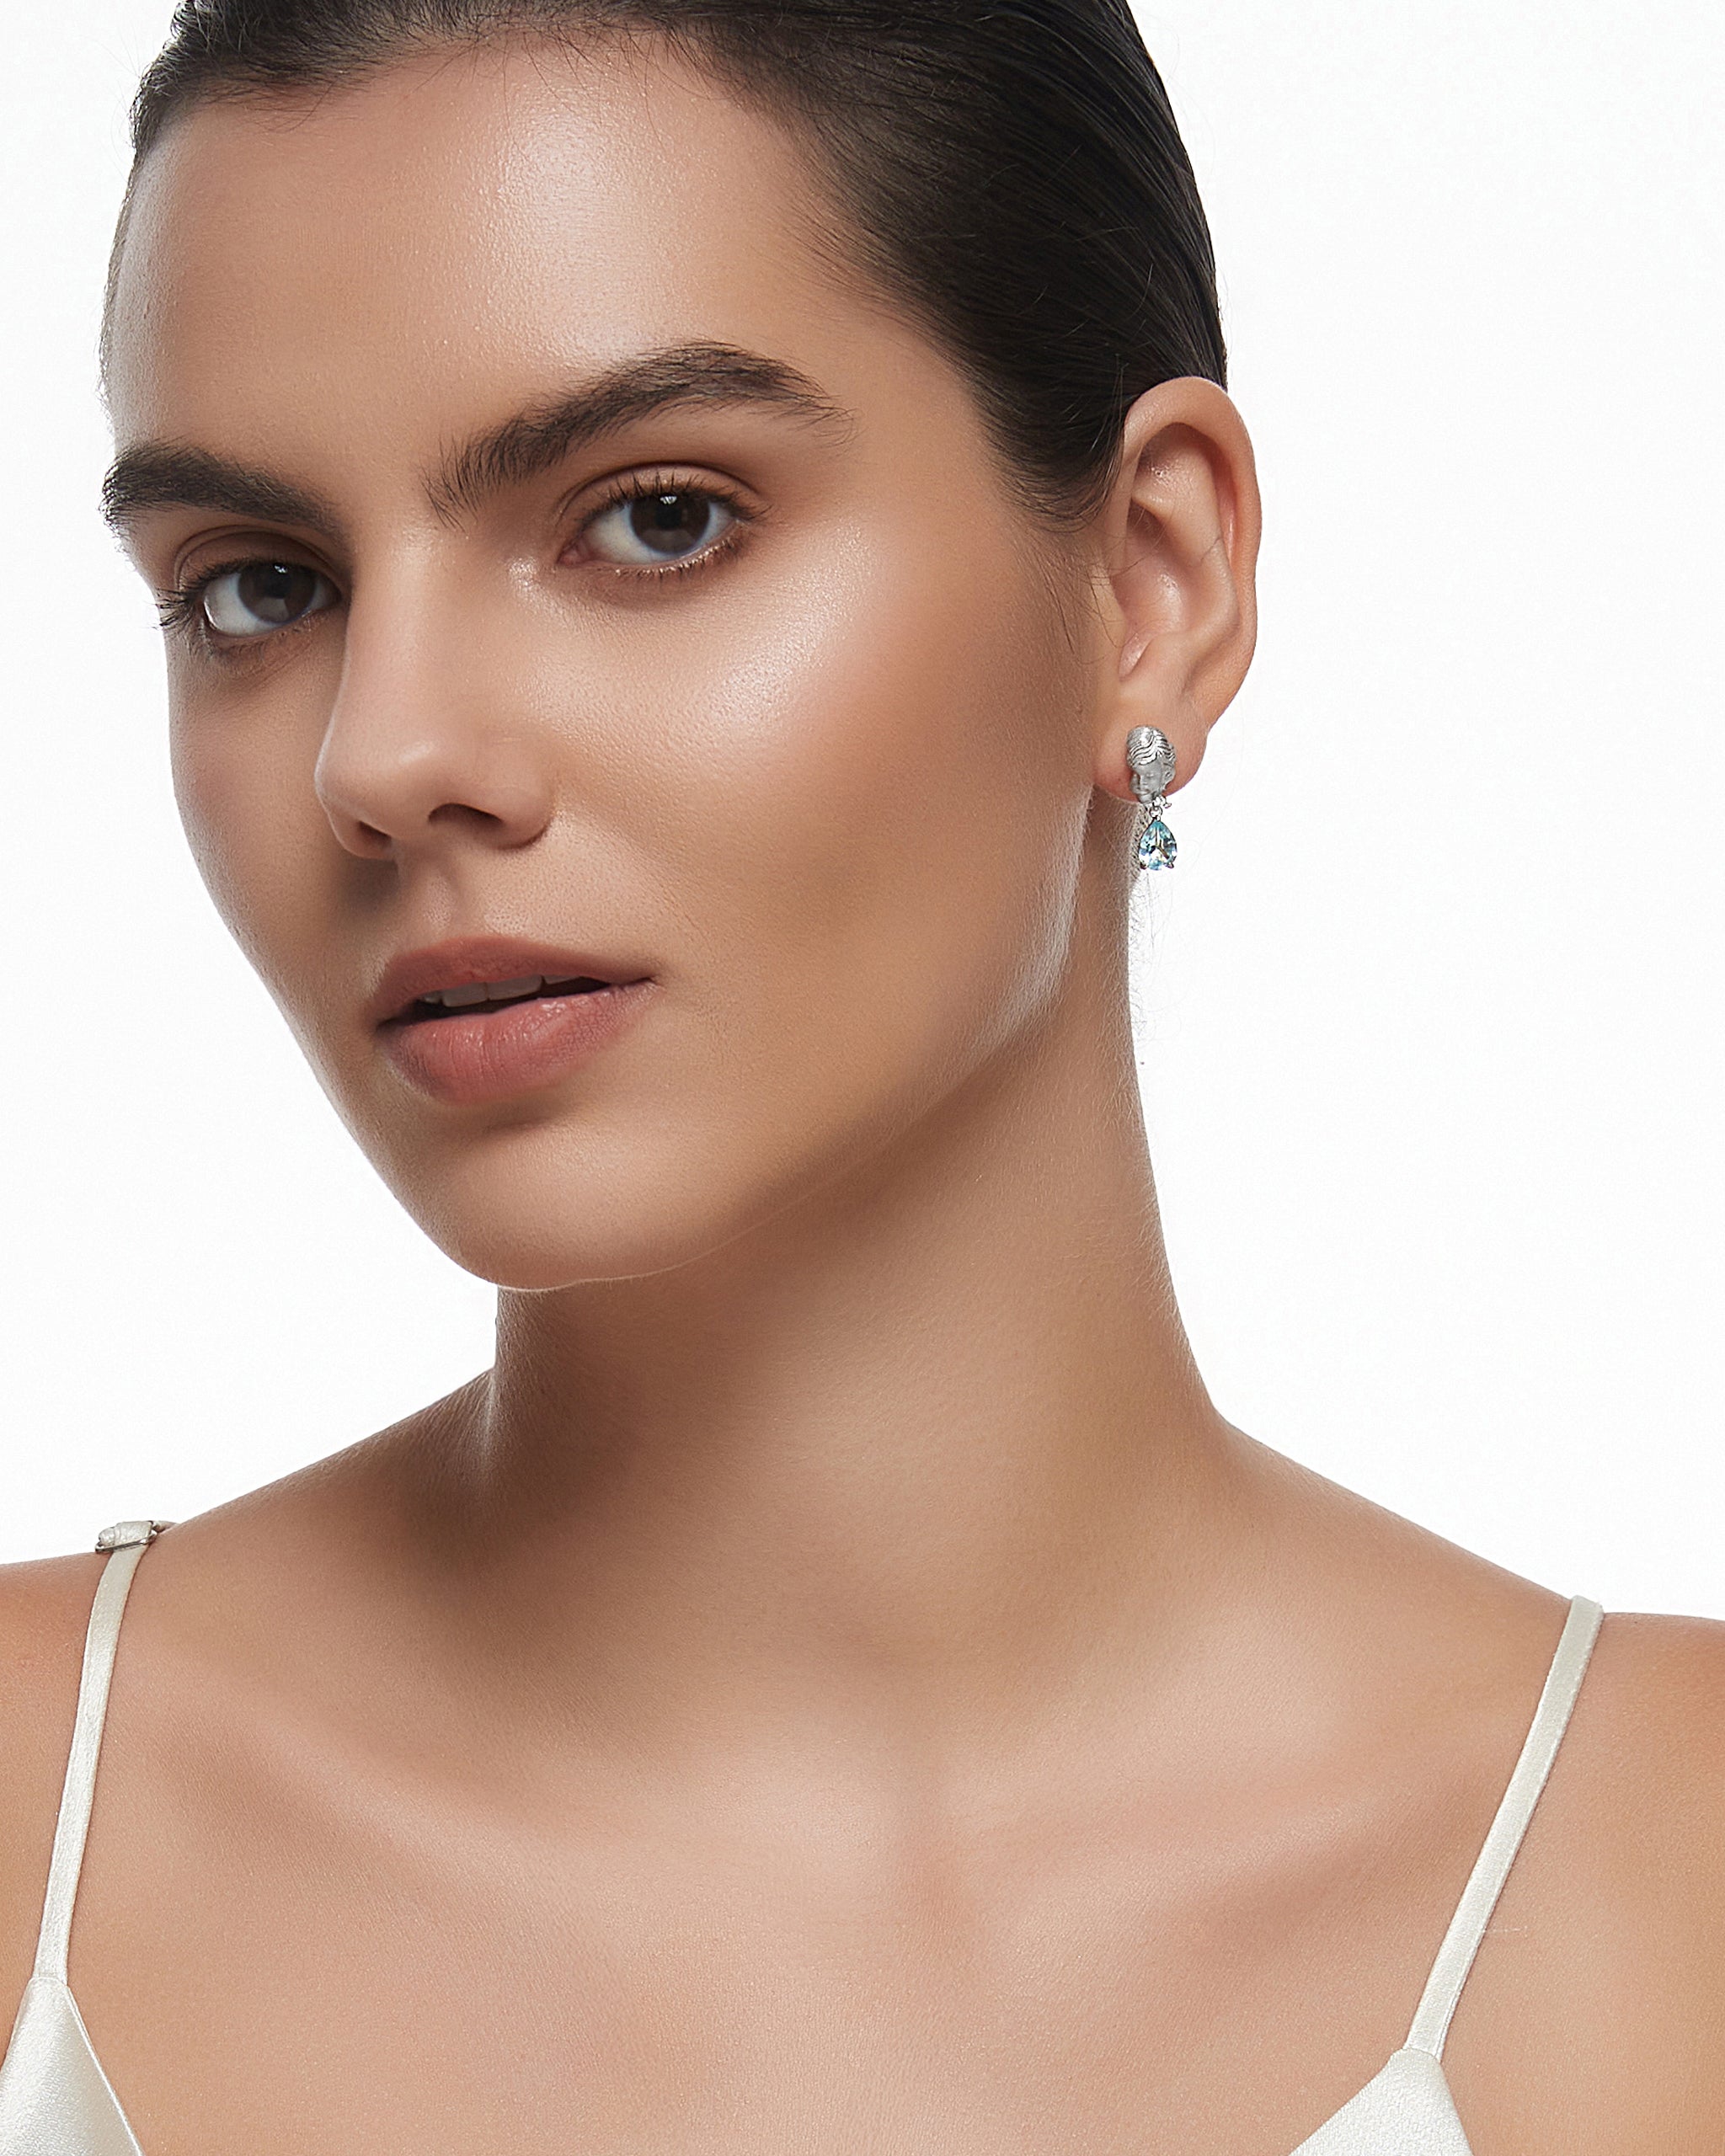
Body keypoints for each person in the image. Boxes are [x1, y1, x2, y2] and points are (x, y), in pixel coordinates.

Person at [1, 2, 1719, 2148]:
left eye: (655, 520)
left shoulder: (1667, 1884)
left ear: (1151, 584)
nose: (388, 751)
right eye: (259, 587)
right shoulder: (30, 1810)